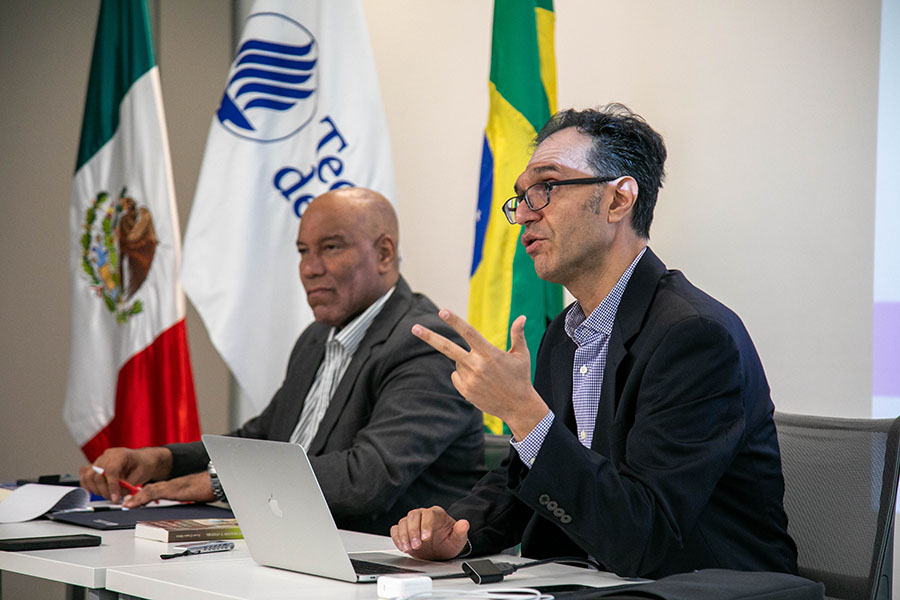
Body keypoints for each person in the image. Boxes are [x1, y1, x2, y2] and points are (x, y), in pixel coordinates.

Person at [390, 104, 798, 578]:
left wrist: (523, 412)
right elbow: (535, 474)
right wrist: (460, 531)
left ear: (618, 200)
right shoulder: (565, 334)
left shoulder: (695, 337)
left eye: (546, 187)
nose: (523, 214)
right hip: (586, 583)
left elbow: (645, 532)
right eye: (520, 197)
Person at [80, 187, 485, 535]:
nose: (309, 269)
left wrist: (220, 484)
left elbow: (365, 479)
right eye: (303, 252)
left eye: (331, 247)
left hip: (382, 570)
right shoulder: (316, 338)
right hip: (295, 550)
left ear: (384, 253)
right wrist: (160, 460)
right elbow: (265, 439)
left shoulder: (425, 342)